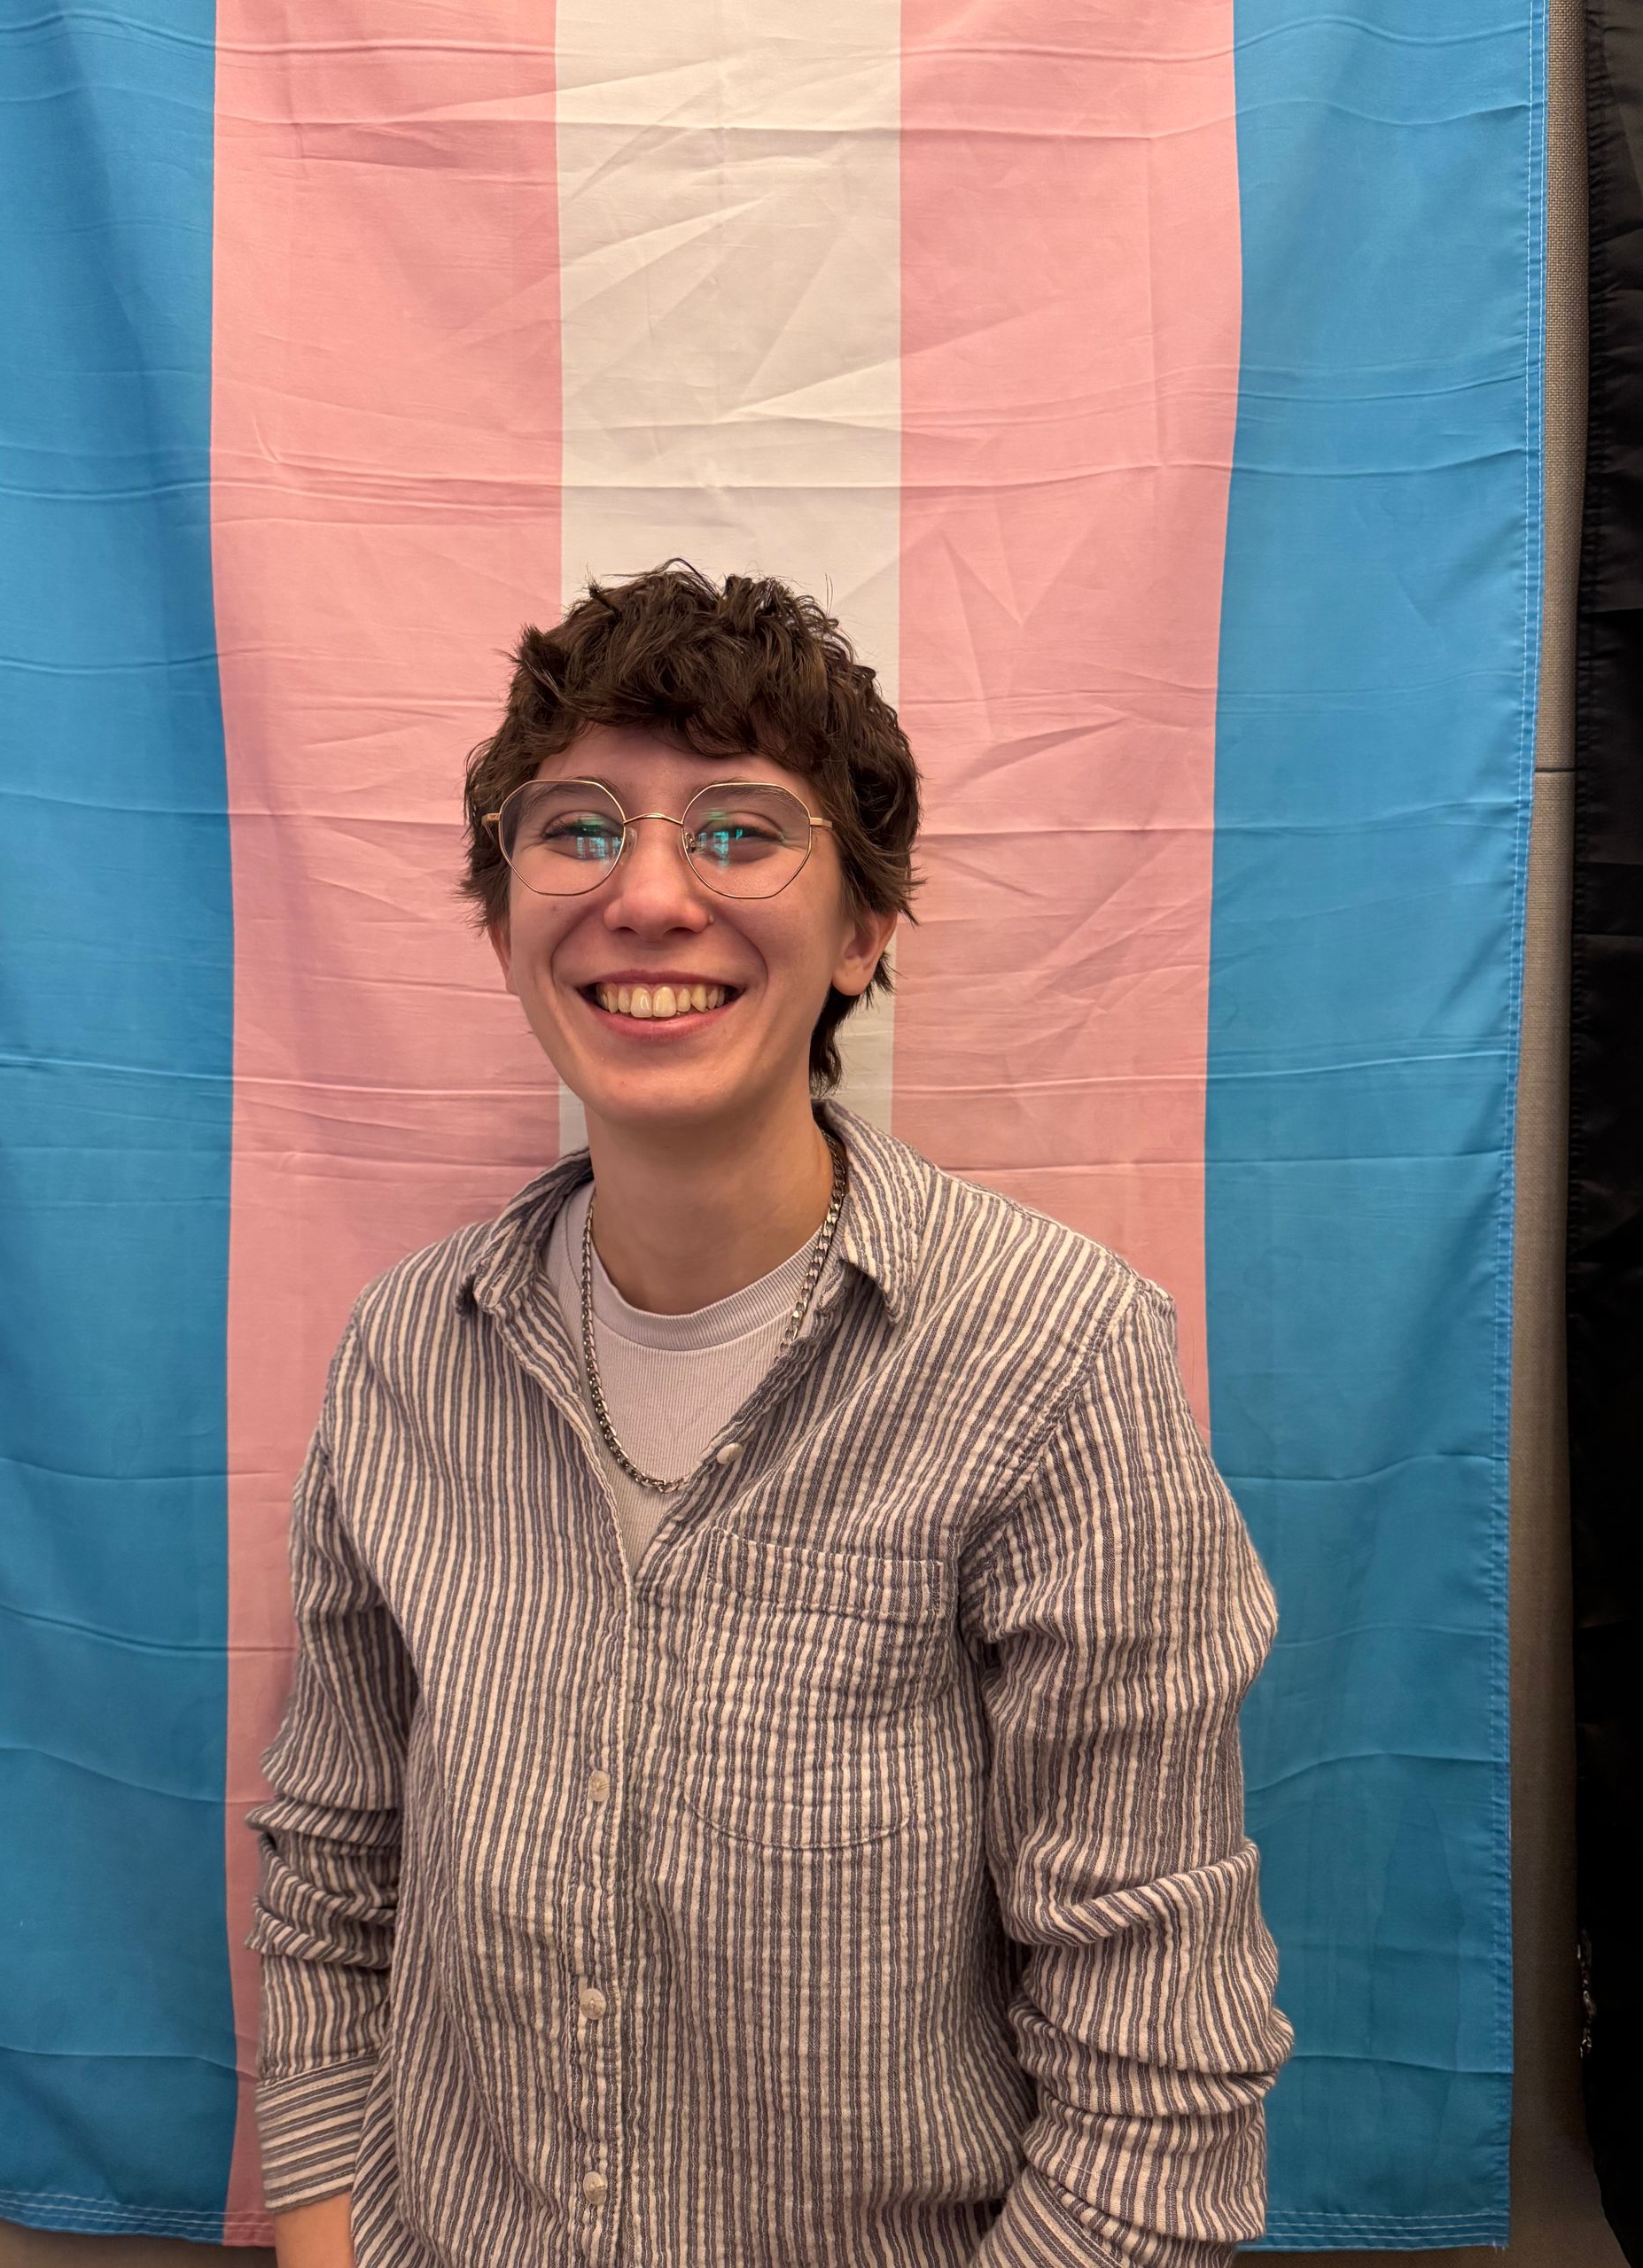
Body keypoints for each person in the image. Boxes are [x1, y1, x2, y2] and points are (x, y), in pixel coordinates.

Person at [246, 563, 1294, 2268]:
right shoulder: (405, 1356)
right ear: (502, 913)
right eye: (576, 827)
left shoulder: (1055, 1365)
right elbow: (331, 1883)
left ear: (865, 929)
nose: (648, 897)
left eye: (741, 832)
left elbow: (1155, 2069)